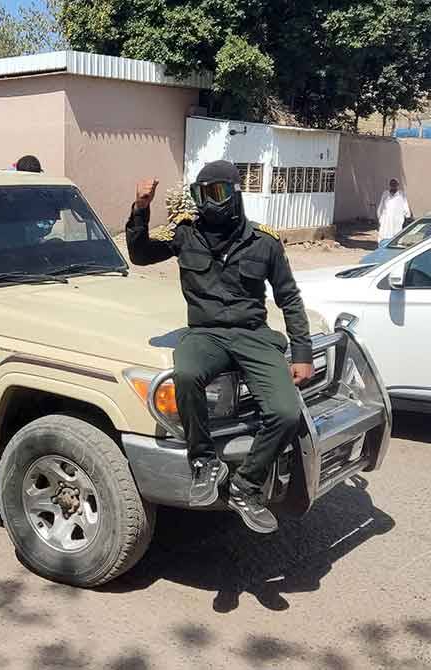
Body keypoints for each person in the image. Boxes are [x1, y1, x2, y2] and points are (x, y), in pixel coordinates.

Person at [126, 160, 314, 534]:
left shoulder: (265, 241)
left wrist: (303, 354)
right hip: (206, 334)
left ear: (235, 192)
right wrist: (141, 208)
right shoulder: (185, 233)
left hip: (253, 334)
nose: (211, 202)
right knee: (185, 373)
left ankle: (245, 486)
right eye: (202, 193)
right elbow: (140, 253)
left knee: (286, 413)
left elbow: (289, 298)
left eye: (218, 192)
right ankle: (204, 462)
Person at [376, 178, 411, 244]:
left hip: (397, 219)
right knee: (384, 234)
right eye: (392, 184)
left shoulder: (401, 194)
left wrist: (407, 215)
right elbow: (381, 205)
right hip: (386, 219)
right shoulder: (385, 193)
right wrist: (379, 217)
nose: (393, 185)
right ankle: (383, 244)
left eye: (395, 184)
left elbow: (405, 205)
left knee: (396, 234)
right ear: (390, 185)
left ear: (397, 185)